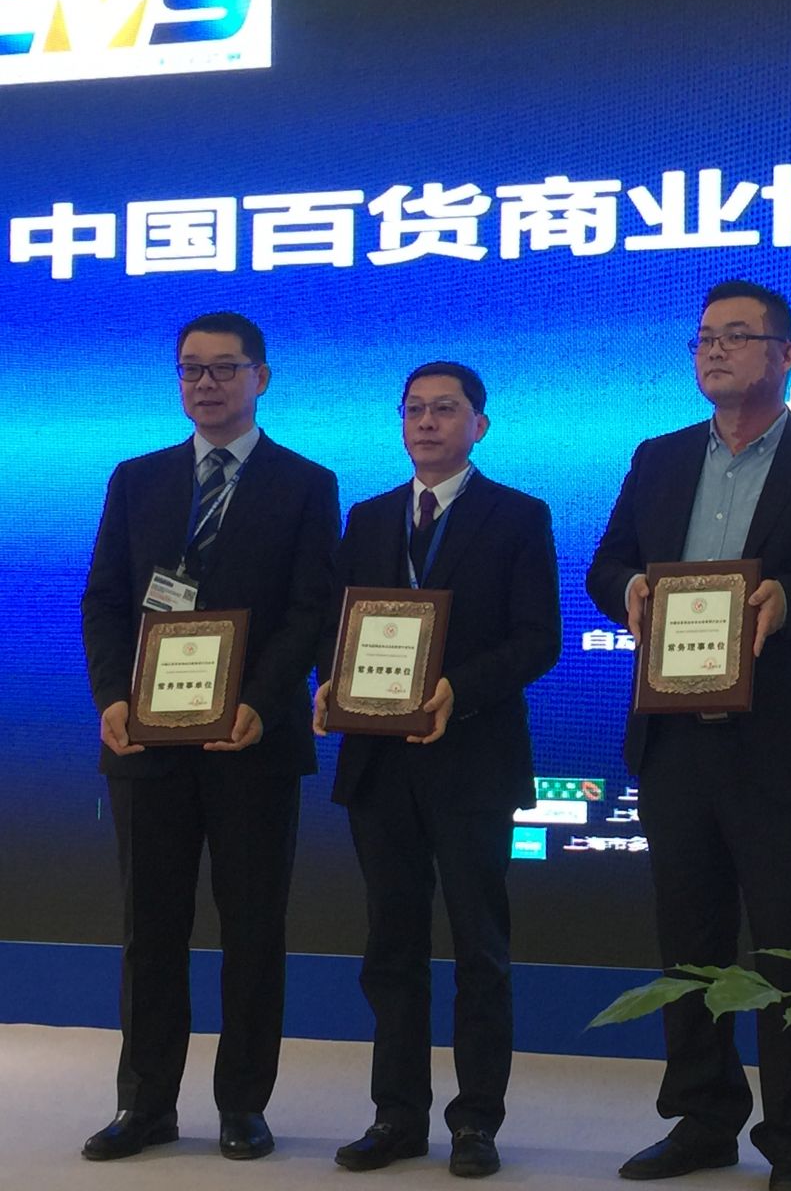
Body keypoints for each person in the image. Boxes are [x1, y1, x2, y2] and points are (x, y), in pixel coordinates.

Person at [586, 280, 791, 1191]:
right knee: (691, 944)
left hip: (784, 745)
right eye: (704, 338)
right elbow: (606, 564)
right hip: (675, 740)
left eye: (737, 336)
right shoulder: (660, 458)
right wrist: (628, 589)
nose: (714, 350)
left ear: (785, 355)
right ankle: (703, 1120)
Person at [79, 310, 340, 1162]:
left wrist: (260, 700)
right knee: (148, 929)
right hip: (144, 743)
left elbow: (311, 610)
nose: (206, 383)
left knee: (253, 930)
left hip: (250, 742)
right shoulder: (137, 479)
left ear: (261, 376)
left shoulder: (306, 484)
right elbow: (104, 600)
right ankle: (145, 1105)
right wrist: (112, 698)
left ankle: (243, 1106)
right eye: (191, 368)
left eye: (224, 368)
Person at [313, 361, 561, 1179]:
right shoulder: (368, 517)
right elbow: (338, 628)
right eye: (414, 409)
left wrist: (459, 690)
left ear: (479, 425)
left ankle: (476, 1121)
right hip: (379, 765)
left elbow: (539, 640)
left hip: (473, 761)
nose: (426, 423)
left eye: (445, 410)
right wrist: (329, 686)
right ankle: (397, 1115)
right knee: (391, 947)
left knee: (479, 949)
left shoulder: (518, 515)